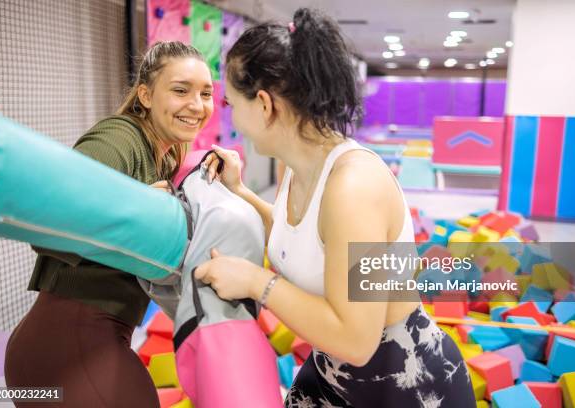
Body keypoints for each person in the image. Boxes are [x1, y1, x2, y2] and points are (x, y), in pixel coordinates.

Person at [196, 9, 476, 407]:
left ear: (263, 104)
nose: (232, 118)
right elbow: (309, 240)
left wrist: (257, 281)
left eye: (231, 103)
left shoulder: (353, 186)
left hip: (407, 382)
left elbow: (357, 340)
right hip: (336, 372)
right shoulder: (300, 167)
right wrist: (240, 190)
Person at [4, 41, 214, 407]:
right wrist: (136, 206)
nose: (197, 105)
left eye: (207, 94)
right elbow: (51, 215)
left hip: (68, 349)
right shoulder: (121, 136)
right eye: (181, 90)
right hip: (64, 352)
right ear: (146, 95)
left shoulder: (161, 160)